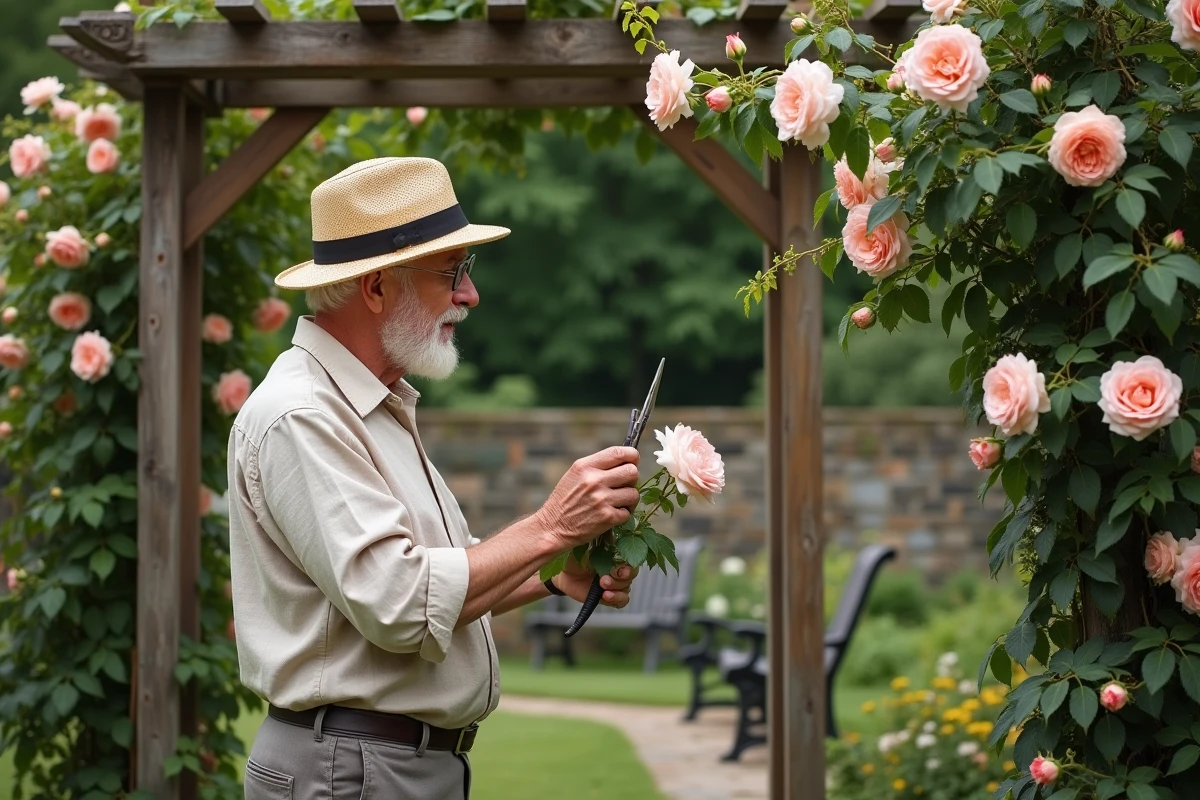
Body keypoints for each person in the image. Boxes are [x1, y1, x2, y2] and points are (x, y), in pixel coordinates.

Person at [227, 157, 641, 799]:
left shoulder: (367, 404)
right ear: (375, 286)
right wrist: (554, 525)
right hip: (353, 772)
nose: (469, 295)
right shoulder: (303, 415)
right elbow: (401, 604)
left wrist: (555, 574)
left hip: (374, 766)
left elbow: (435, 581)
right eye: (451, 272)